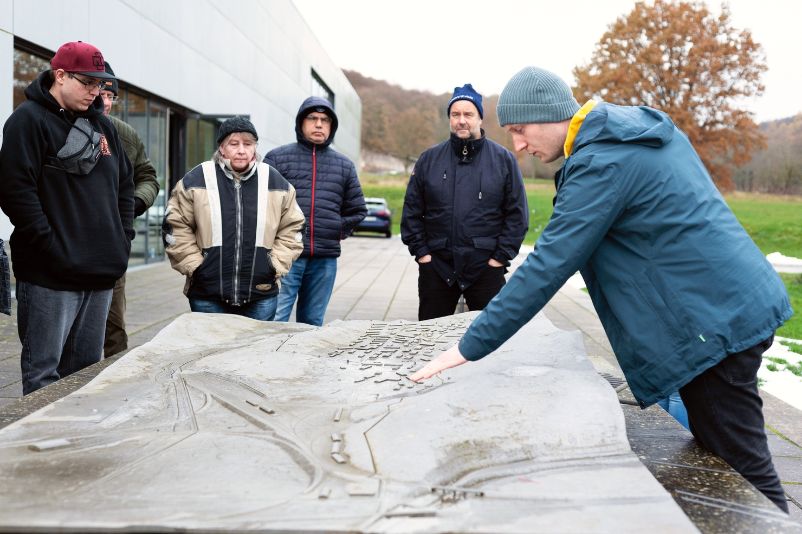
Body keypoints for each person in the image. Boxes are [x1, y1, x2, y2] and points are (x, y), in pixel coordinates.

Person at [410, 66, 792, 513]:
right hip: (725, 308)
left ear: (549, 115)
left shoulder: (604, 160)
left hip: (713, 325)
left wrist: (468, 346)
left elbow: (549, 264)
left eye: (519, 130)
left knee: (745, 472)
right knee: (724, 462)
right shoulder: (625, 135)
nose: (518, 145)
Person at [0, 41, 134, 395]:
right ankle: (39, 449)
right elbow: (16, 191)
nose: (95, 92)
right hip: (50, 273)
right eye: (87, 83)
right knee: (44, 374)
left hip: (101, 270)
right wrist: (50, 245)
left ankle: (77, 447)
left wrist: (122, 241)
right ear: (59, 76)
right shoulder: (27, 121)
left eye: (99, 85)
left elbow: (124, 186)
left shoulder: (104, 128)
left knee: (86, 373)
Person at [401, 84, 528, 320]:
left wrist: (499, 258)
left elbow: (517, 215)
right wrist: (423, 255)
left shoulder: (503, 160)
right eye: (455, 114)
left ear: (480, 117)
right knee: (429, 341)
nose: (461, 120)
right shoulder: (429, 159)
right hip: (437, 269)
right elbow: (411, 214)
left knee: (490, 345)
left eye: (468, 114)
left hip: (485, 270)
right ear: (449, 118)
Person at [163, 116, 304, 320]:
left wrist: (274, 265)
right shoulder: (197, 178)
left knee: (255, 351)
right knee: (209, 351)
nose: (241, 150)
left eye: (248, 144)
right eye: (234, 143)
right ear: (221, 148)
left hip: (260, 294)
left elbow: (293, 227)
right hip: (207, 294)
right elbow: (175, 226)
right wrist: (196, 267)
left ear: (255, 147)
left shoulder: (275, 181)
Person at [264, 97, 366, 326]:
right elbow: (261, 206)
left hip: (324, 260)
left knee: (312, 323)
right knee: (274, 321)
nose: (319, 124)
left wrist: (336, 229)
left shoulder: (344, 165)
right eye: (313, 118)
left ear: (331, 126)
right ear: (301, 123)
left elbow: (358, 209)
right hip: (284, 257)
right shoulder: (277, 158)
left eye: (325, 120)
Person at [100, 61, 160, 357]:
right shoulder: (54, 127)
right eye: (102, 94)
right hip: (64, 247)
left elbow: (148, 176)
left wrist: (134, 204)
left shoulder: (124, 135)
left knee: (113, 328)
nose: (107, 103)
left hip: (112, 245)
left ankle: (112, 387)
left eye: (112, 97)